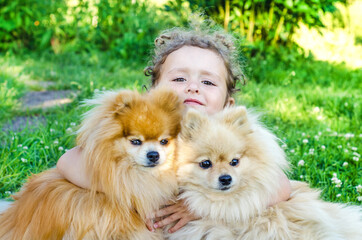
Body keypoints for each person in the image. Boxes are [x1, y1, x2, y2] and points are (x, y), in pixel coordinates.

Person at [57, 21, 291, 234]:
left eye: (207, 82)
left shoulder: (229, 138)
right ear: (154, 95)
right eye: (179, 79)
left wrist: (200, 207)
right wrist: (137, 196)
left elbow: (281, 186)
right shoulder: (147, 134)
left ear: (228, 105)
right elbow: (68, 162)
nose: (193, 87)